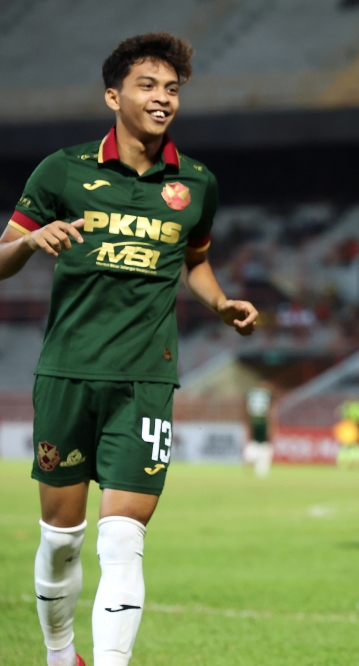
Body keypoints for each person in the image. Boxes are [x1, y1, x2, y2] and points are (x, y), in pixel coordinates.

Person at [0, 33, 258, 666]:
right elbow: (0, 258)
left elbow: (194, 261)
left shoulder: (196, 183)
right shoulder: (62, 170)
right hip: (66, 374)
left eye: (172, 89)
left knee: (122, 541)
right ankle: (61, 656)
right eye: (148, 86)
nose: (162, 98)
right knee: (61, 540)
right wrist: (30, 244)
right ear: (114, 95)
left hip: (146, 381)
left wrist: (221, 302)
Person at [243, 383, 274, 478]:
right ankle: (259, 466)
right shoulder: (266, 396)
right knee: (264, 446)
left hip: (256, 422)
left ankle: (255, 462)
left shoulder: (253, 395)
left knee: (260, 445)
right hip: (261, 423)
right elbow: (270, 412)